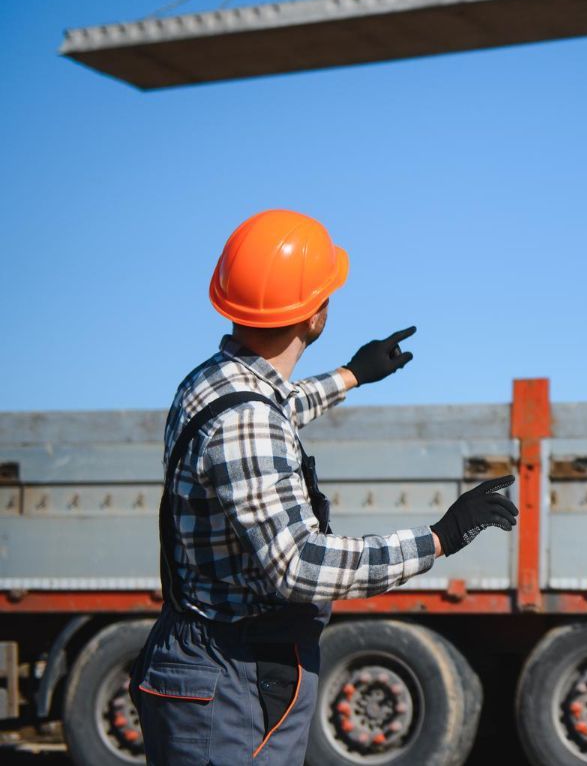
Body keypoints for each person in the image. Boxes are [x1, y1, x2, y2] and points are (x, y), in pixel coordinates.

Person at [131, 209, 518, 765]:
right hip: (231, 674)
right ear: (314, 313)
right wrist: (438, 539)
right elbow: (300, 565)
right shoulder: (248, 421)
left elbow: (273, 407)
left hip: (212, 658)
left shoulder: (210, 381)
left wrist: (353, 375)